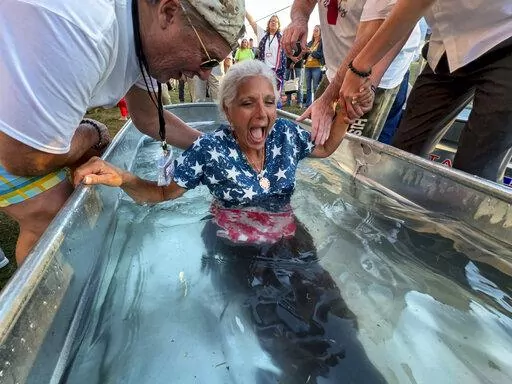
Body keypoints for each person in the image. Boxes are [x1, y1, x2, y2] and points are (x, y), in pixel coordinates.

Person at [0, 0, 245, 265]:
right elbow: (24, 158)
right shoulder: (90, 28)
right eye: (207, 58)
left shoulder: (146, 36)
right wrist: (93, 131)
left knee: (90, 179)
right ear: (168, 11)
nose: (205, 75)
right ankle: (45, 301)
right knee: (50, 212)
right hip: (13, 137)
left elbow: (150, 118)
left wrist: (217, 148)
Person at [74, 60, 352, 206]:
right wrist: (123, 177)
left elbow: (325, 149)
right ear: (227, 111)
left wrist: (347, 113)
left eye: (269, 102)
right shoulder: (210, 150)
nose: (261, 113)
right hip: (236, 247)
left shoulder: (286, 135)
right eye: (247, 103)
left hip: (290, 238)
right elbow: (161, 195)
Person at [337, 0, 512, 183]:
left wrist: (359, 67)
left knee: (476, 168)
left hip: (505, 35)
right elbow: (400, 19)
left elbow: (416, 3)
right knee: (404, 154)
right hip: (447, 43)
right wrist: (370, 81)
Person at [282, 0, 421, 146]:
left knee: (353, 149)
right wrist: (299, 20)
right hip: (336, 67)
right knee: (313, 139)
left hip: (375, 70)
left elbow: (373, 34)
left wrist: (329, 98)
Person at [246, 13, 287, 99]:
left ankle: (275, 110)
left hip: (277, 71)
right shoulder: (262, 34)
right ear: (268, 23)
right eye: (272, 21)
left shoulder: (282, 36)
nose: (273, 22)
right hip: (264, 70)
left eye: (276, 21)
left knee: (275, 95)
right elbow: (252, 22)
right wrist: (244, 11)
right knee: (264, 93)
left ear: (278, 25)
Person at [303, 25, 324, 108]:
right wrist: (305, 52)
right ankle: (308, 104)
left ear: (320, 32)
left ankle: (316, 104)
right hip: (307, 66)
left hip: (316, 66)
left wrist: (311, 51)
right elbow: (305, 55)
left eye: (317, 31)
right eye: (314, 30)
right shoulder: (310, 42)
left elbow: (321, 54)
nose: (315, 32)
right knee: (308, 87)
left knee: (315, 87)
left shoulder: (322, 43)